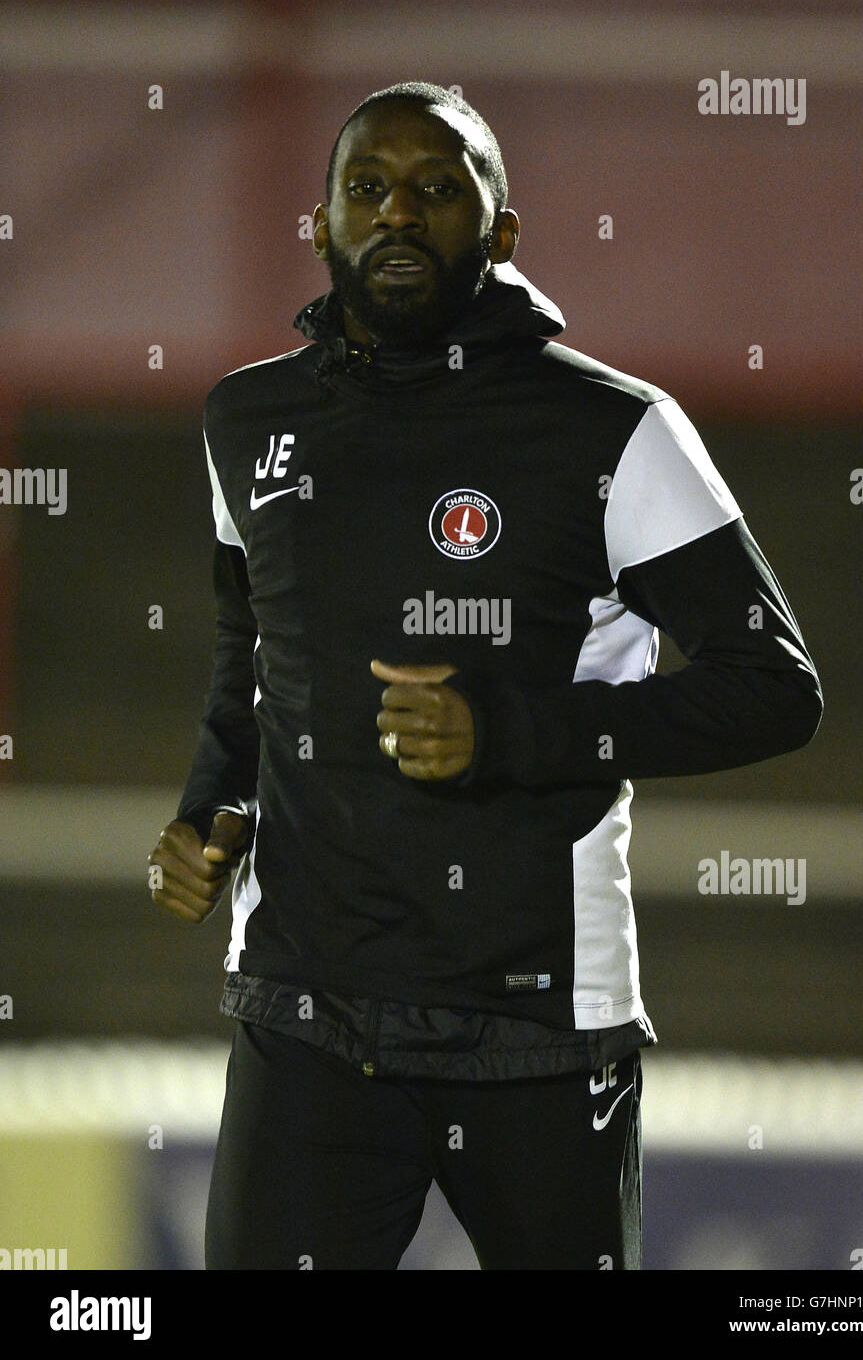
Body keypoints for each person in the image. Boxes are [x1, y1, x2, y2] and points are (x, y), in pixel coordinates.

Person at [149, 81, 822, 1271]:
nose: (397, 215)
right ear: (319, 225)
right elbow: (251, 655)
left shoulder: (614, 427)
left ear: (501, 230)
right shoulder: (244, 421)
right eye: (366, 190)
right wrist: (211, 809)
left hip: (536, 1020)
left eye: (436, 189)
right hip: (307, 1003)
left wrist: (508, 734)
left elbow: (772, 683)